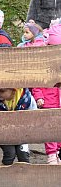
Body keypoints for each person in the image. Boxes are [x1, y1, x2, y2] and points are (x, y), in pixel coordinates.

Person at [32, 18, 61, 165]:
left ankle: (59, 153)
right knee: (50, 127)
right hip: (48, 100)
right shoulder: (44, 63)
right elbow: (37, 83)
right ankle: (51, 154)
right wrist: (39, 96)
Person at [0, 88, 37, 165]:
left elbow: (34, 114)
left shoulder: (26, 99)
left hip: (22, 132)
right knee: (10, 154)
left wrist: (29, 130)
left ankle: (24, 175)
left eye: (2, 91)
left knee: (23, 155)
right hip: (4, 134)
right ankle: (5, 174)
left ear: (14, 90)